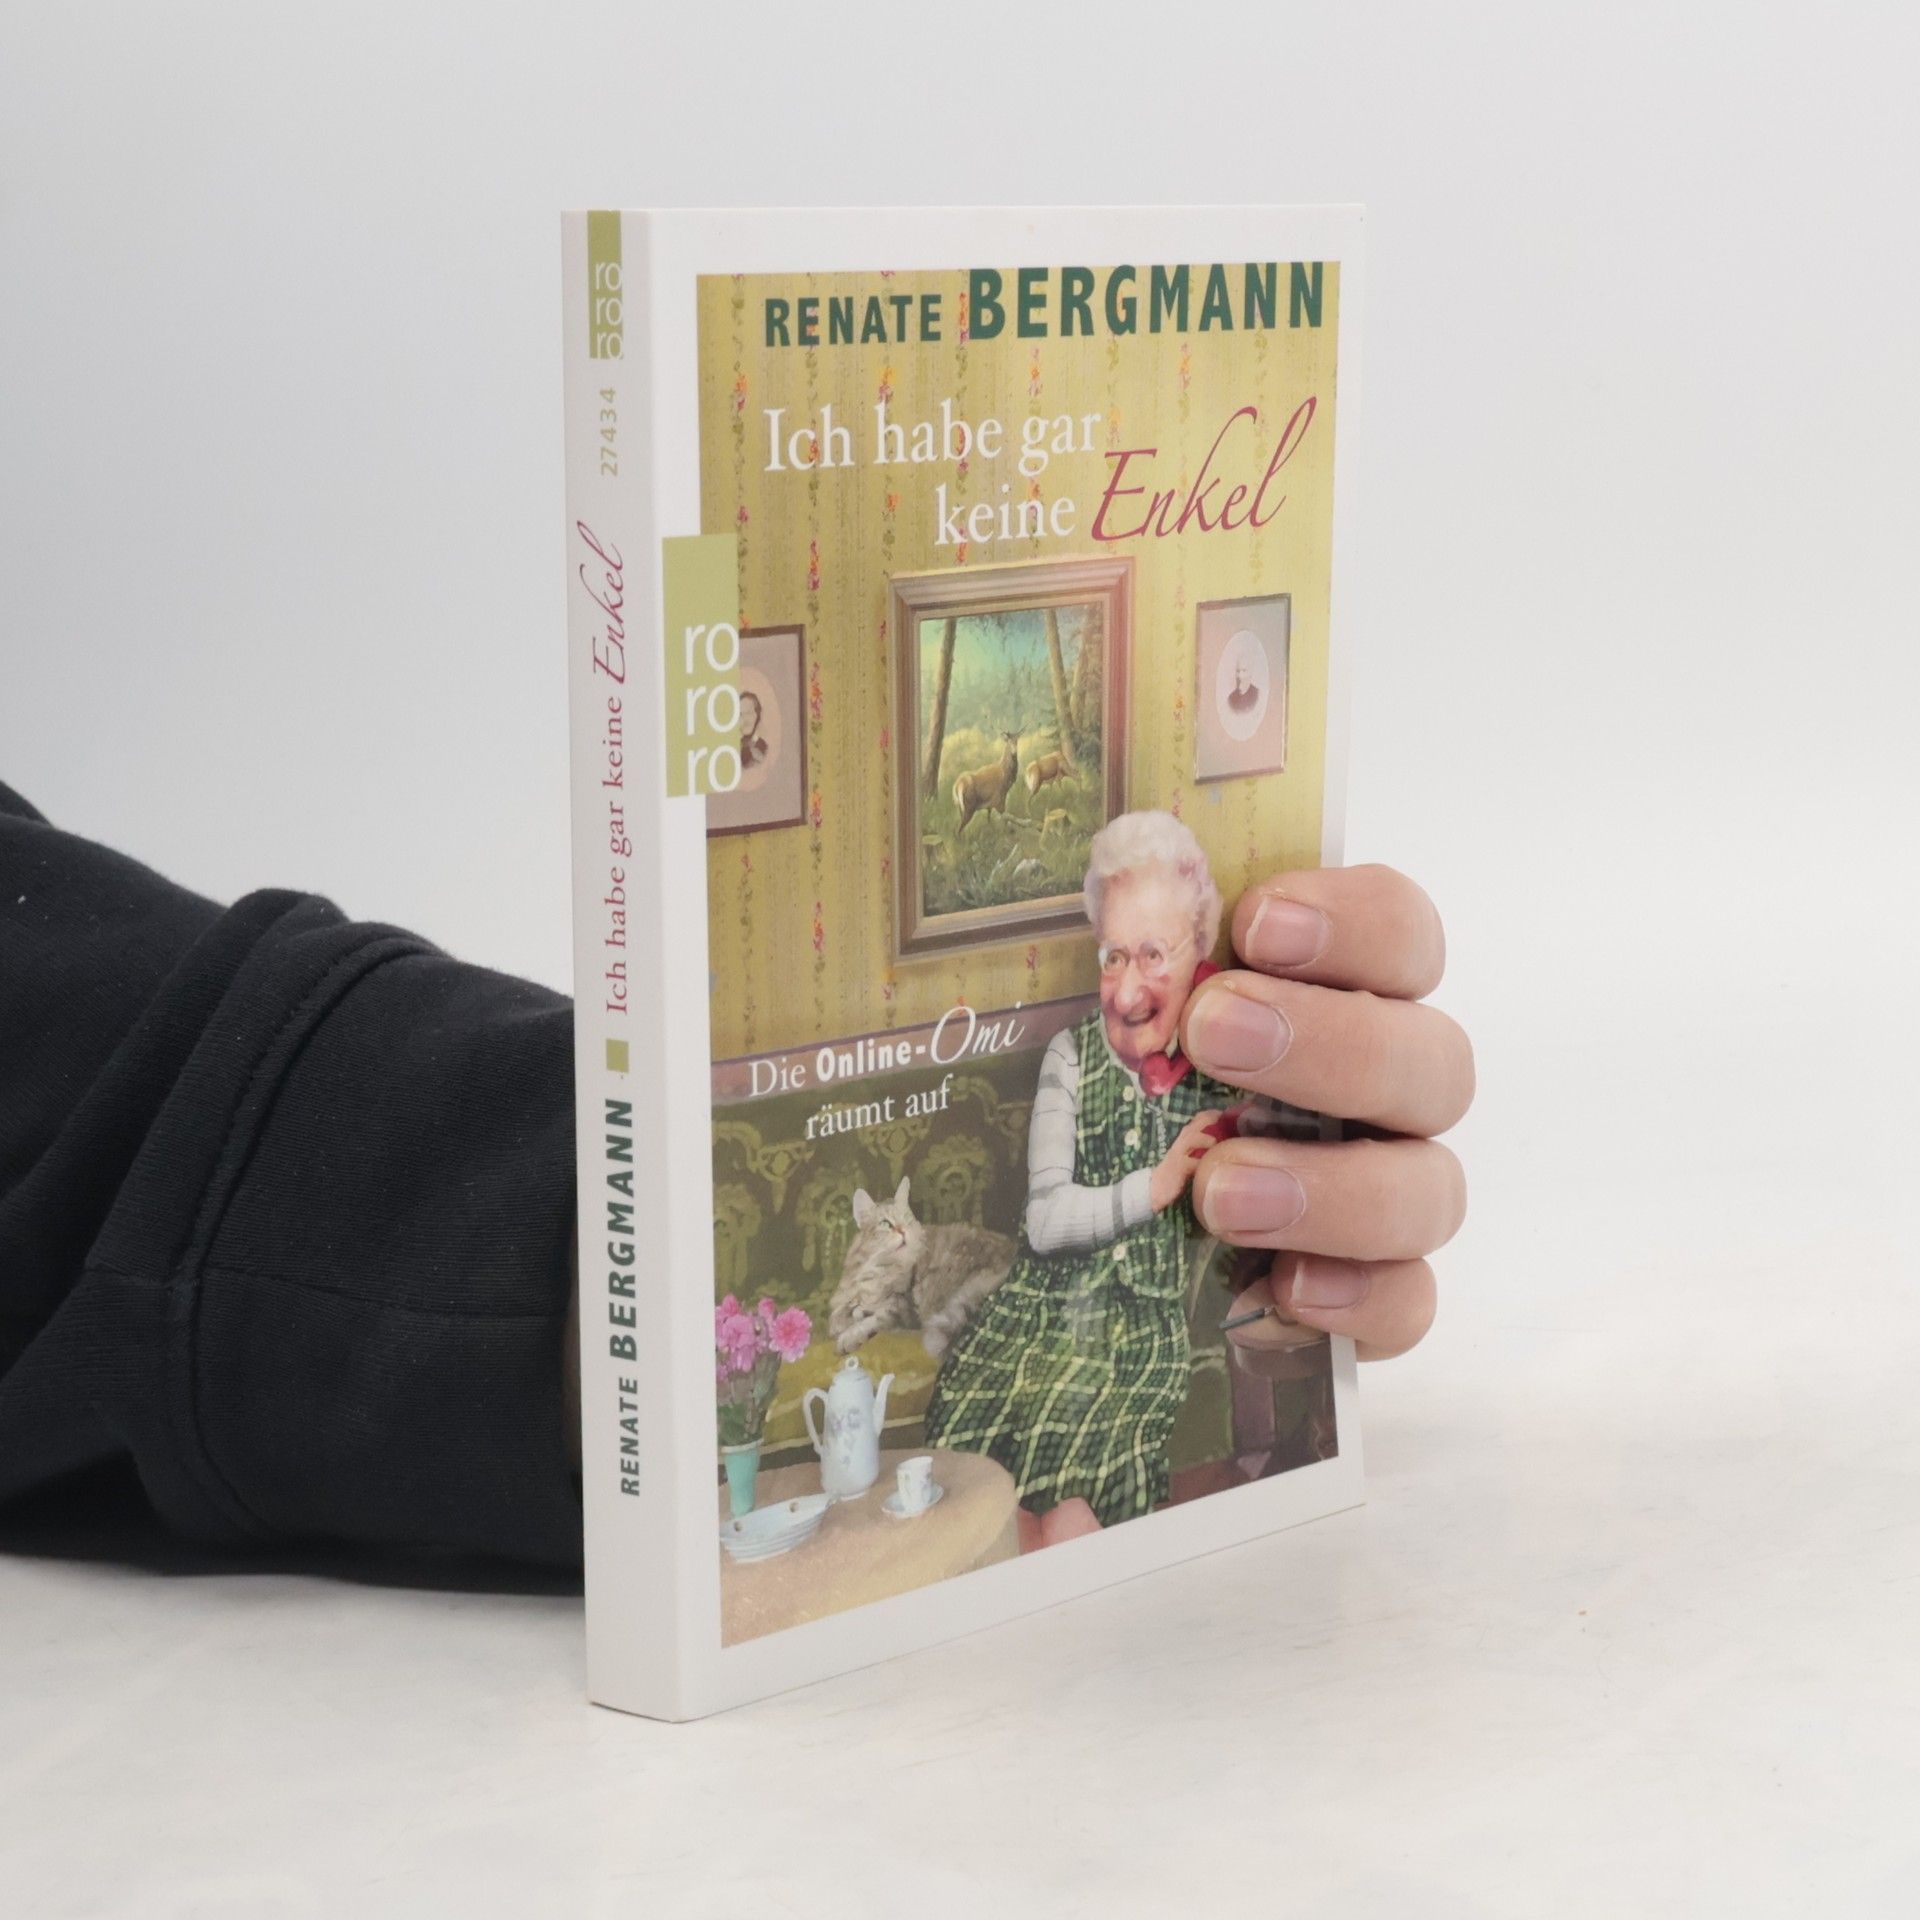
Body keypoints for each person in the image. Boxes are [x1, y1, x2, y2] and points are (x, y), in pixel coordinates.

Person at [0, 782, 1471, 1571]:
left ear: (1201, 945)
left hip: (1143, 1342)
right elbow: (1042, 1218)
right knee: (997, 1486)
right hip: (1050, 1314)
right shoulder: (1073, 1072)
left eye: (1159, 953)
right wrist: (593, 1243)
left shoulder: (1213, 1065)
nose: (1134, 983)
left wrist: (1273, 1214)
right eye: (1113, 953)